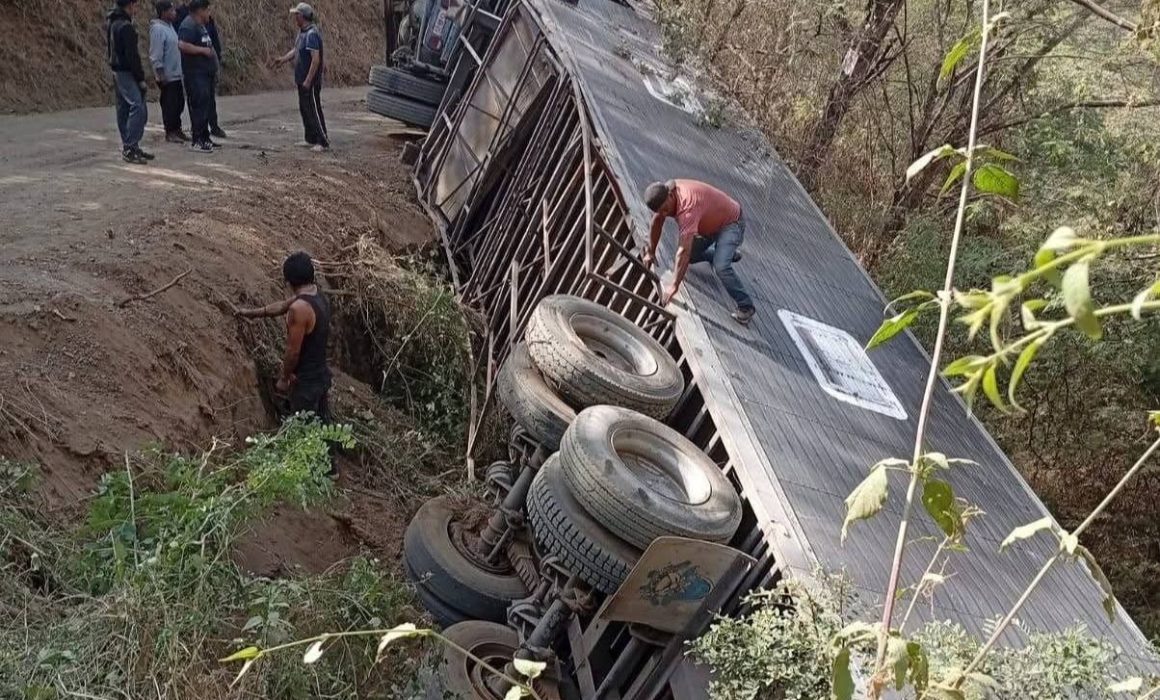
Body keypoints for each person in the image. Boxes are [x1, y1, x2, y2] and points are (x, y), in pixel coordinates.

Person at [236, 252, 333, 425]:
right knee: (321, 428)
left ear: (288, 281)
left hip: (305, 384)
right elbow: (281, 306)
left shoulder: (299, 309)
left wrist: (284, 378)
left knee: (303, 433)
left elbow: (292, 352)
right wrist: (252, 313)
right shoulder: (316, 295)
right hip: (320, 376)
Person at [643, 179, 756, 325]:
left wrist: (674, 286)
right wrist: (650, 252)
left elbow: (683, 251)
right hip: (708, 225)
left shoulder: (687, 209)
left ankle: (746, 306)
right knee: (692, 256)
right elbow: (657, 222)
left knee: (720, 267)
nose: (665, 213)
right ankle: (726, 254)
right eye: (661, 211)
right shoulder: (665, 194)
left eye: (666, 209)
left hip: (731, 223)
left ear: (670, 196)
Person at [274, 3, 329, 151]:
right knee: (305, 109)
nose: (295, 18)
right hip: (302, 80)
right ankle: (310, 138)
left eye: (296, 15)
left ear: (302, 16)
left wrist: (308, 81)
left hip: (309, 82)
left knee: (313, 109)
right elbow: (296, 50)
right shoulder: (302, 32)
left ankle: (322, 141)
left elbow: (316, 60)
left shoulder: (312, 34)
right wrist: (283, 59)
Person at [106, 0, 153, 164]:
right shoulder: (125, 26)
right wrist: (140, 79)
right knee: (137, 106)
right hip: (126, 71)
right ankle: (130, 146)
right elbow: (133, 56)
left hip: (117, 70)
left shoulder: (112, 23)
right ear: (130, 5)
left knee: (124, 108)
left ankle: (131, 146)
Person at [177, 0, 218, 153]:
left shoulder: (201, 26)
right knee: (198, 107)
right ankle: (197, 140)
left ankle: (205, 137)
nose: (209, 13)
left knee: (205, 107)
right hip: (195, 75)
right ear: (200, 10)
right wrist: (202, 51)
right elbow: (182, 45)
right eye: (208, 10)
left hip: (205, 74)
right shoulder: (188, 25)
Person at [150, 1, 188, 143]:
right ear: (163, 12)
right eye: (171, 10)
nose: (175, 12)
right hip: (166, 75)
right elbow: (156, 54)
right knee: (169, 104)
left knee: (179, 103)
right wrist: (160, 74)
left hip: (176, 74)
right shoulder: (158, 29)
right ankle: (170, 131)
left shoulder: (170, 27)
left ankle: (177, 129)